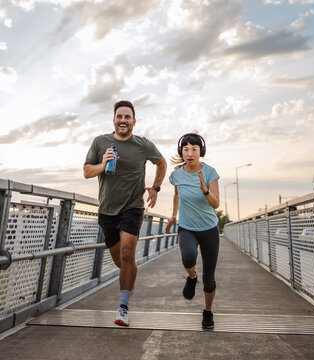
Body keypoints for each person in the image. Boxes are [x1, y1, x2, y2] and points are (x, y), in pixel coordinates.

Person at [83, 100, 167, 327]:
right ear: (114, 120)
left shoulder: (143, 145)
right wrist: (103, 165)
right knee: (121, 260)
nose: (123, 120)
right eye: (119, 116)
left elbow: (162, 163)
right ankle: (129, 279)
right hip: (107, 210)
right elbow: (86, 171)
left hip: (133, 207)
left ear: (133, 121)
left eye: (127, 117)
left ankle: (123, 307)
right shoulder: (101, 142)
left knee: (128, 254)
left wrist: (156, 187)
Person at [165, 133, 220, 329]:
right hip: (187, 227)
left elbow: (216, 203)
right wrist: (173, 215)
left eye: (194, 149)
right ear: (181, 152)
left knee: (210, 278)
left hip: (209, 229)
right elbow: (177, 195)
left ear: (201, 152)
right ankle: (191, 276)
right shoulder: (177, 175)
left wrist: (205, 190)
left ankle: (207, 312)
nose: (190, 153)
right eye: (186, 149)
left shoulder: (211, 172)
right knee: (188, 258)